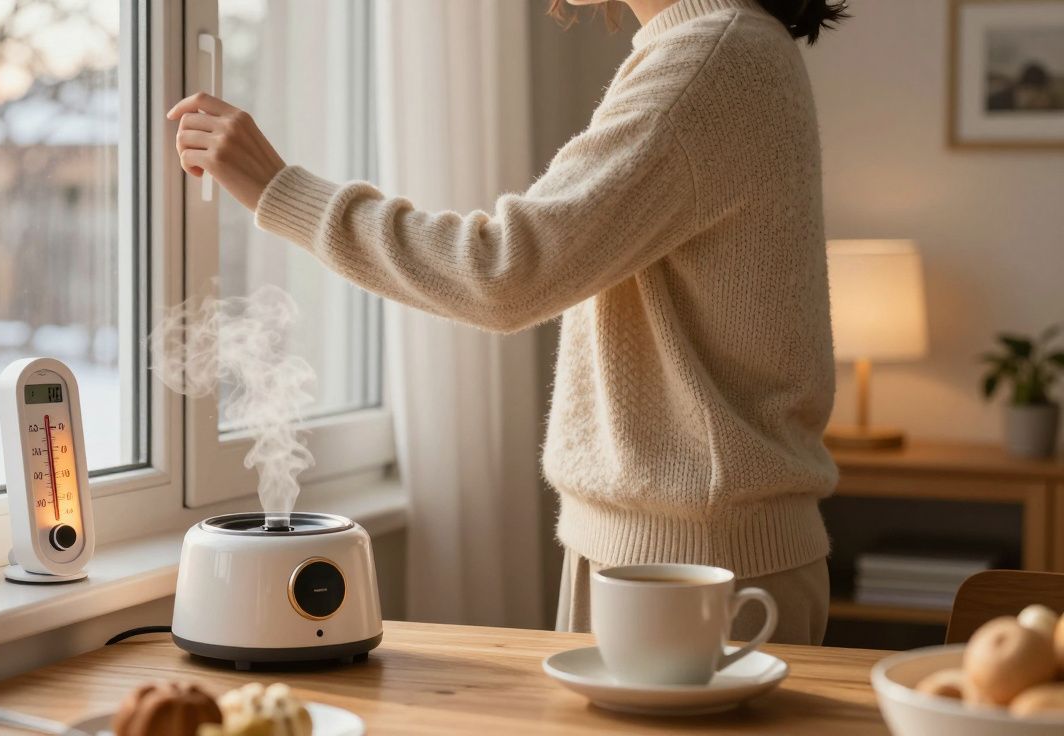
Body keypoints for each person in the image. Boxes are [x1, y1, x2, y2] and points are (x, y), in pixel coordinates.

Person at [166, 0, 849, 645]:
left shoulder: (712, 57)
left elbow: (503, 272)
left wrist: (280, 189)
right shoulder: (717, 49)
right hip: (676, 557)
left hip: (694, 571)